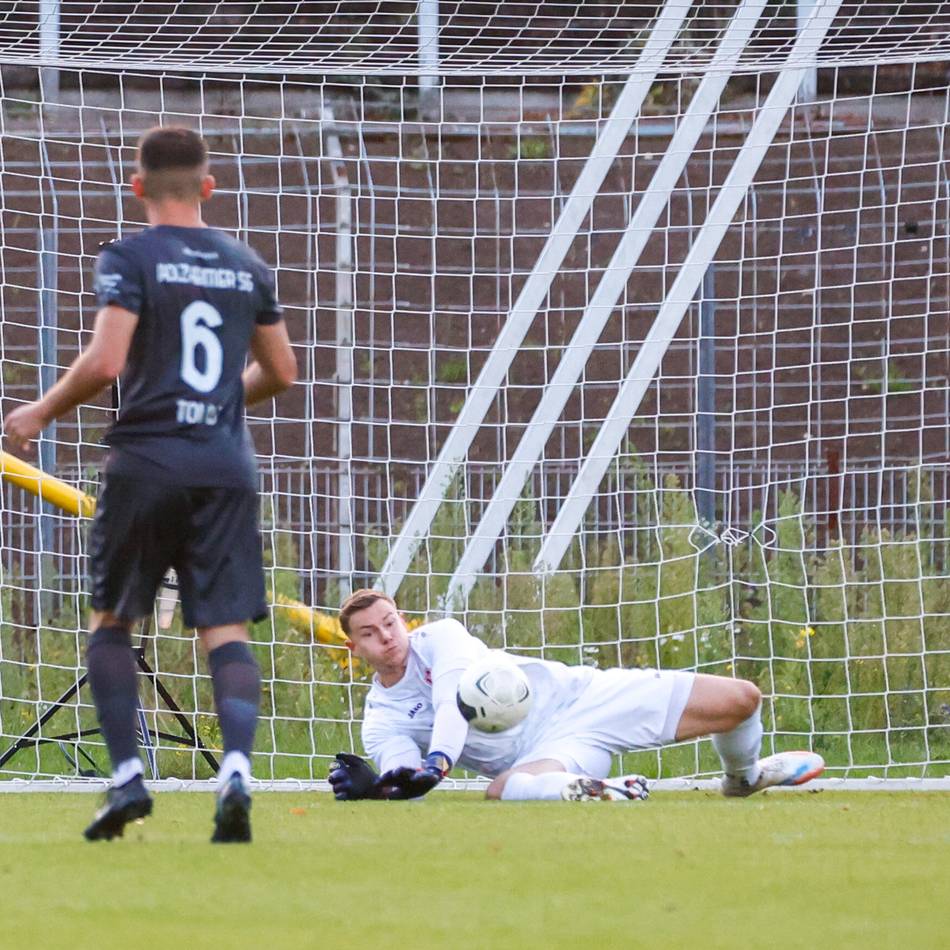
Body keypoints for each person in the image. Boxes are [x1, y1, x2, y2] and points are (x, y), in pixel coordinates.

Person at [3, 126, 297, 842]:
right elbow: (283, 373)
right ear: (208, 186)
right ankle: (234, 769)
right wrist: (221, 401)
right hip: (226, 468)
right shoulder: (245, 264)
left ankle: (129, 775)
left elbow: (106, 362)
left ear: (137, 188)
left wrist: (38, 410)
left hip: (146, 461)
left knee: (113, 620)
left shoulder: (129, 257)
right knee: (223, 627)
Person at [329, 589, 825, 802]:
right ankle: (600, 790)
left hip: (586, 696)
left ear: (403, 619)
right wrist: (383, 788)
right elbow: (397, 769)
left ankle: (744, 778)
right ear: (354, 647)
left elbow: (448, 707)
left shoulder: (442, 638)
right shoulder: (382, 718)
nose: (388, 636)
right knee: (502, 790)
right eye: (371, 633)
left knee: (742, 698)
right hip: (549, 754)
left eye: (391, 622)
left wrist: (436, 764)